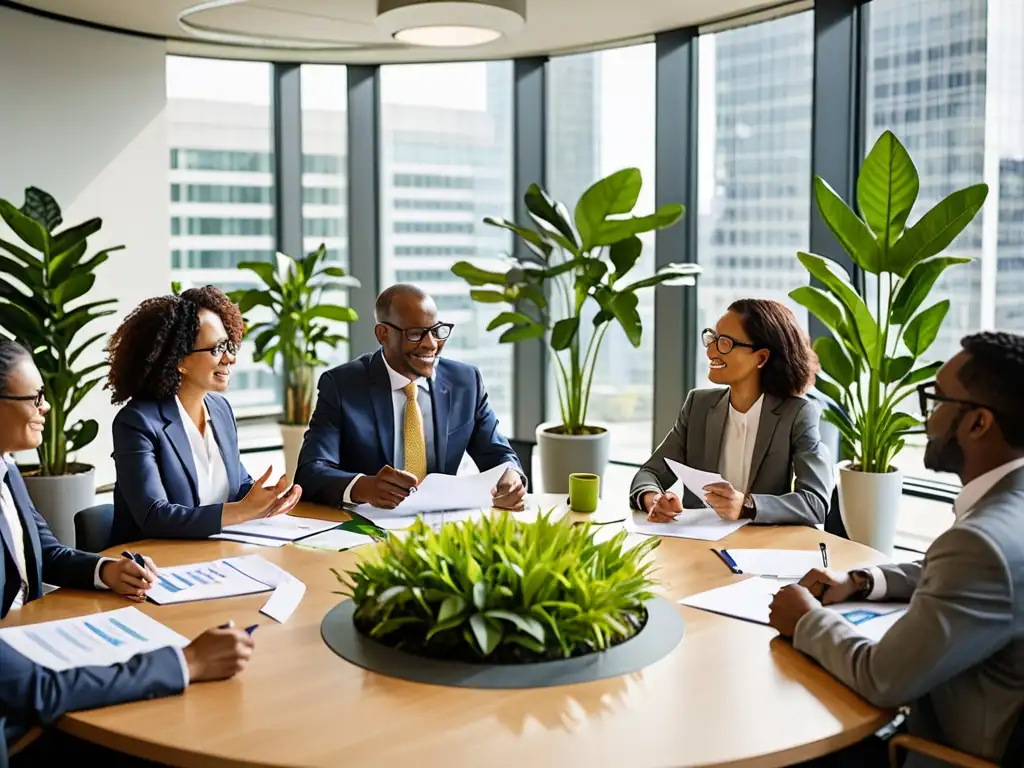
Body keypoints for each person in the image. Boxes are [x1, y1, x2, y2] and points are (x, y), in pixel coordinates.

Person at [769, 331, 1024, 767]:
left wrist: (805, 619)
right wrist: (863, 580)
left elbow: (881, 677)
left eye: (938, 401)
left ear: (979, 423)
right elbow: (961, 574)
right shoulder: (1007, 514)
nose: (927, 417)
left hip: (930, 752)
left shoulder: (981, 543)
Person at [0, 337, 254, 767]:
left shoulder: (6, 466)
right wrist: (186, 662)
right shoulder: (140, 419)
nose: (46, 408)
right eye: (35, 397)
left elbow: (44, 550)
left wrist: (105, 570)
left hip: (33, 645)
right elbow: (38, 692)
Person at [295, 284, 525, 511]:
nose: (431, 344)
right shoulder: (342, 385)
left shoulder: (465, 381)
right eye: (416, 334)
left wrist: (511, 476)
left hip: (443, 524)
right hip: (370, 526)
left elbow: (499, 453)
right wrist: (362, 486)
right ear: (383, 334)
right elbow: (310, 471)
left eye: (437, 331)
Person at [107, 286, 301, 544]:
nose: (230, 358)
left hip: (216, 555)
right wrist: (243, 510)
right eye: (217, 348)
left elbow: (235, 486)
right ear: (180, 361)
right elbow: (154, 515)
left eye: (229, 345)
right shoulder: (137, 423)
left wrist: (268, 498)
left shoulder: (221, 411)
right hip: (156, 564)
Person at [630, 298, 833, 526]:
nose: (710, 351)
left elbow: (815, 502)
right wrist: (655, 499)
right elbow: (649, 474)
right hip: (698, 544)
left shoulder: (797, 414)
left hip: (763, 547)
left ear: (761, 358)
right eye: (712, 339)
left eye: (725, 343)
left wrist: (747, 505)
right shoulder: (699, 405)